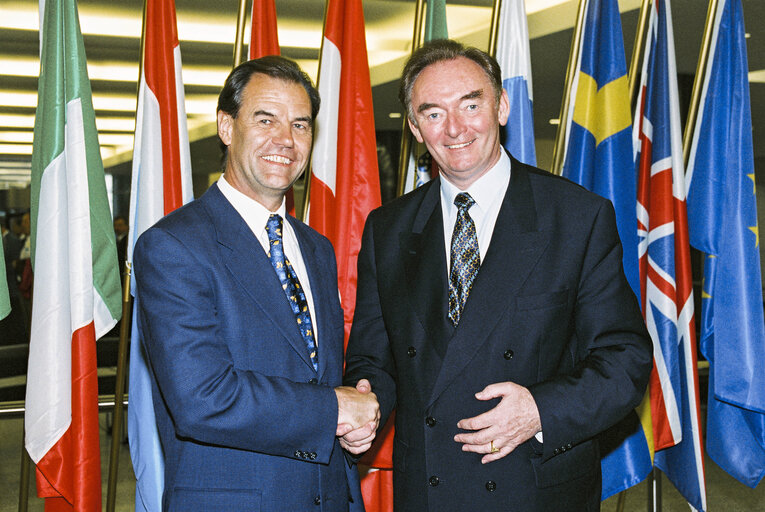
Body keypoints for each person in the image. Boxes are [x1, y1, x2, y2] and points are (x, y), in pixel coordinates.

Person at [343, 40, 652, 511]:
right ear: (414, 128)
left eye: (471, 104)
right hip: (427, 489)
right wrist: (368, 400)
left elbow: (625, 359)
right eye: (433, 113)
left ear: (502, 106)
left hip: (534, 487)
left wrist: (540, 410)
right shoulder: (388, 229)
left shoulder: (575, 217)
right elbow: (374, 357)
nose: (455, 129)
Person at [133, 56, 379, 511]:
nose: (285, 140)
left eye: (300, 125)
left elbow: (315, 374)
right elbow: (202, 398)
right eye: (265, 119)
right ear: (227, 127)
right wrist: (334, 410)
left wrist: (353, 422)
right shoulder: (172, 246)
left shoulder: (316, 249)